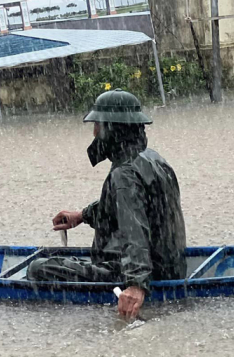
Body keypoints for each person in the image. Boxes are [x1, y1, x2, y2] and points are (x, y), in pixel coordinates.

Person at [27, 89, 187, 319]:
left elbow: (135, 231)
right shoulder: (151, 158)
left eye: (97, 125)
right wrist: (81, 215)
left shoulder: (125, 175)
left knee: (38, 268)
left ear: (113, 129)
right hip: (170, 266)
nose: (93, 132)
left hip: (146, 273)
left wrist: (136, 285)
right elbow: (120, 208)